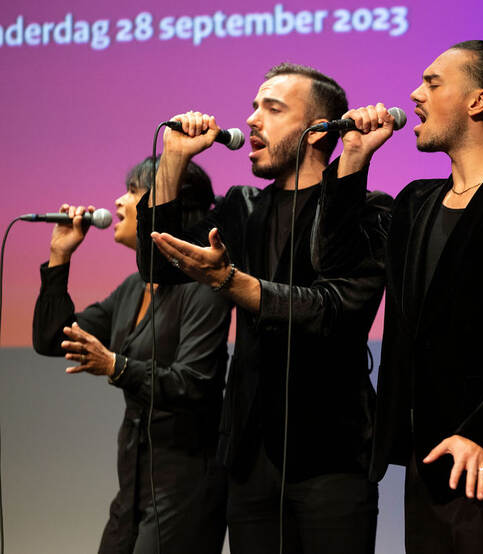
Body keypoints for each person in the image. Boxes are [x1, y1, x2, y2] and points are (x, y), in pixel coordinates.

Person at [134, 64, 389, 554]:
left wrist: (231, 281)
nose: (251, 120)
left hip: (331, 454)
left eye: (272, 109)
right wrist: (173, 161)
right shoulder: (243, 206)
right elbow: (157, 266)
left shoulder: (368, 209)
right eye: (254, 106)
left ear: (318, 131)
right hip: (251, 457)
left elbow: (334, 312)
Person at [316, 40, 483, 553]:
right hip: (426, 449)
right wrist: (354, 156)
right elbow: (332, 260)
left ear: (478, 102)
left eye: (432, 83)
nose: (414, 95)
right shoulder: (416, 200)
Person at [32, 157, 230, 554]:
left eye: (134, 192)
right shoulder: (133, 288)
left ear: (167, 208)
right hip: (134, 485)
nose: (120, 202)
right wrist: (60, 256)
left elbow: (194, 383)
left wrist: (116, 366)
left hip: (184, 488)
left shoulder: (202, 288)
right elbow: (54, 339)